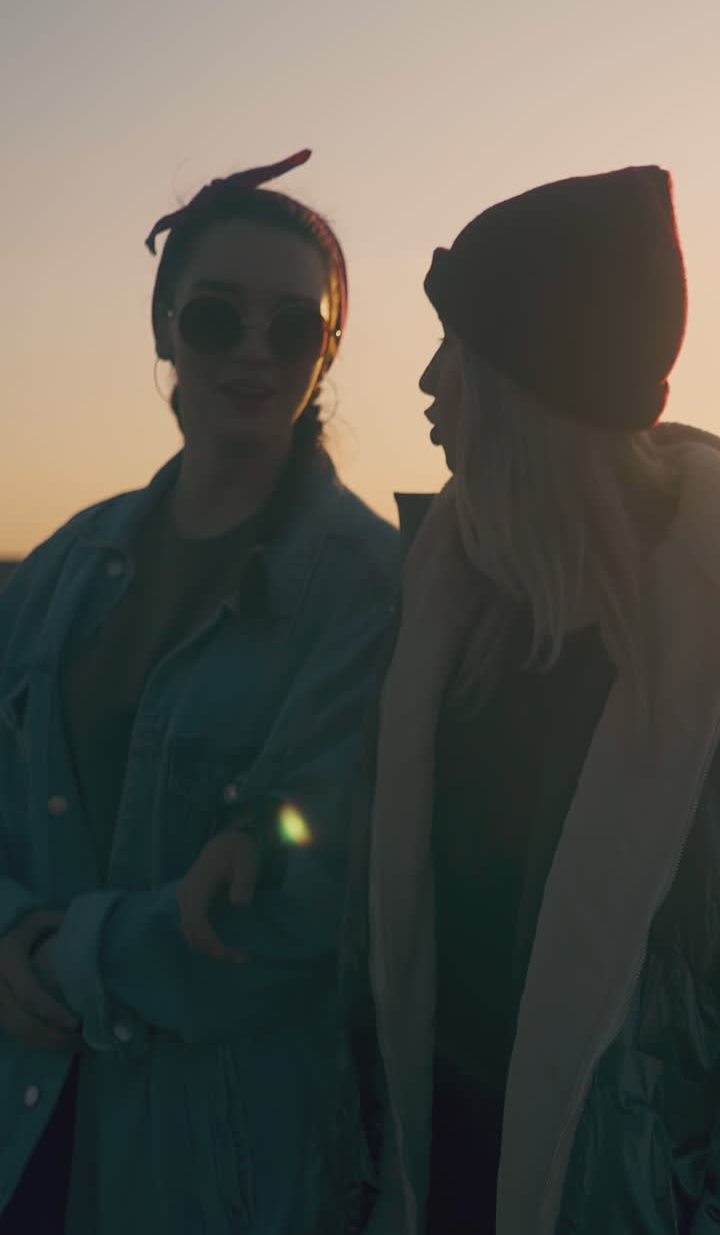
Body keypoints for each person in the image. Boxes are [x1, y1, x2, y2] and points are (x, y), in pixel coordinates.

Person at [0, 149, 399, 1235]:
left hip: (214, 1167)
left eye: (295, 327)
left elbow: (300, 902)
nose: (256, 354)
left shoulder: (367, 588)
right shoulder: (69, 563)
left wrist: (56, 956)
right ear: (163, 327)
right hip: (31, 1123)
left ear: (328, 351)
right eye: (219, 319)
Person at [354, 165, 720, 1234]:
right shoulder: (445, 606)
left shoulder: (700, 657)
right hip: (440, 1185)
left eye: (455, 349)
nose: (426, 380)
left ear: (526, 385)